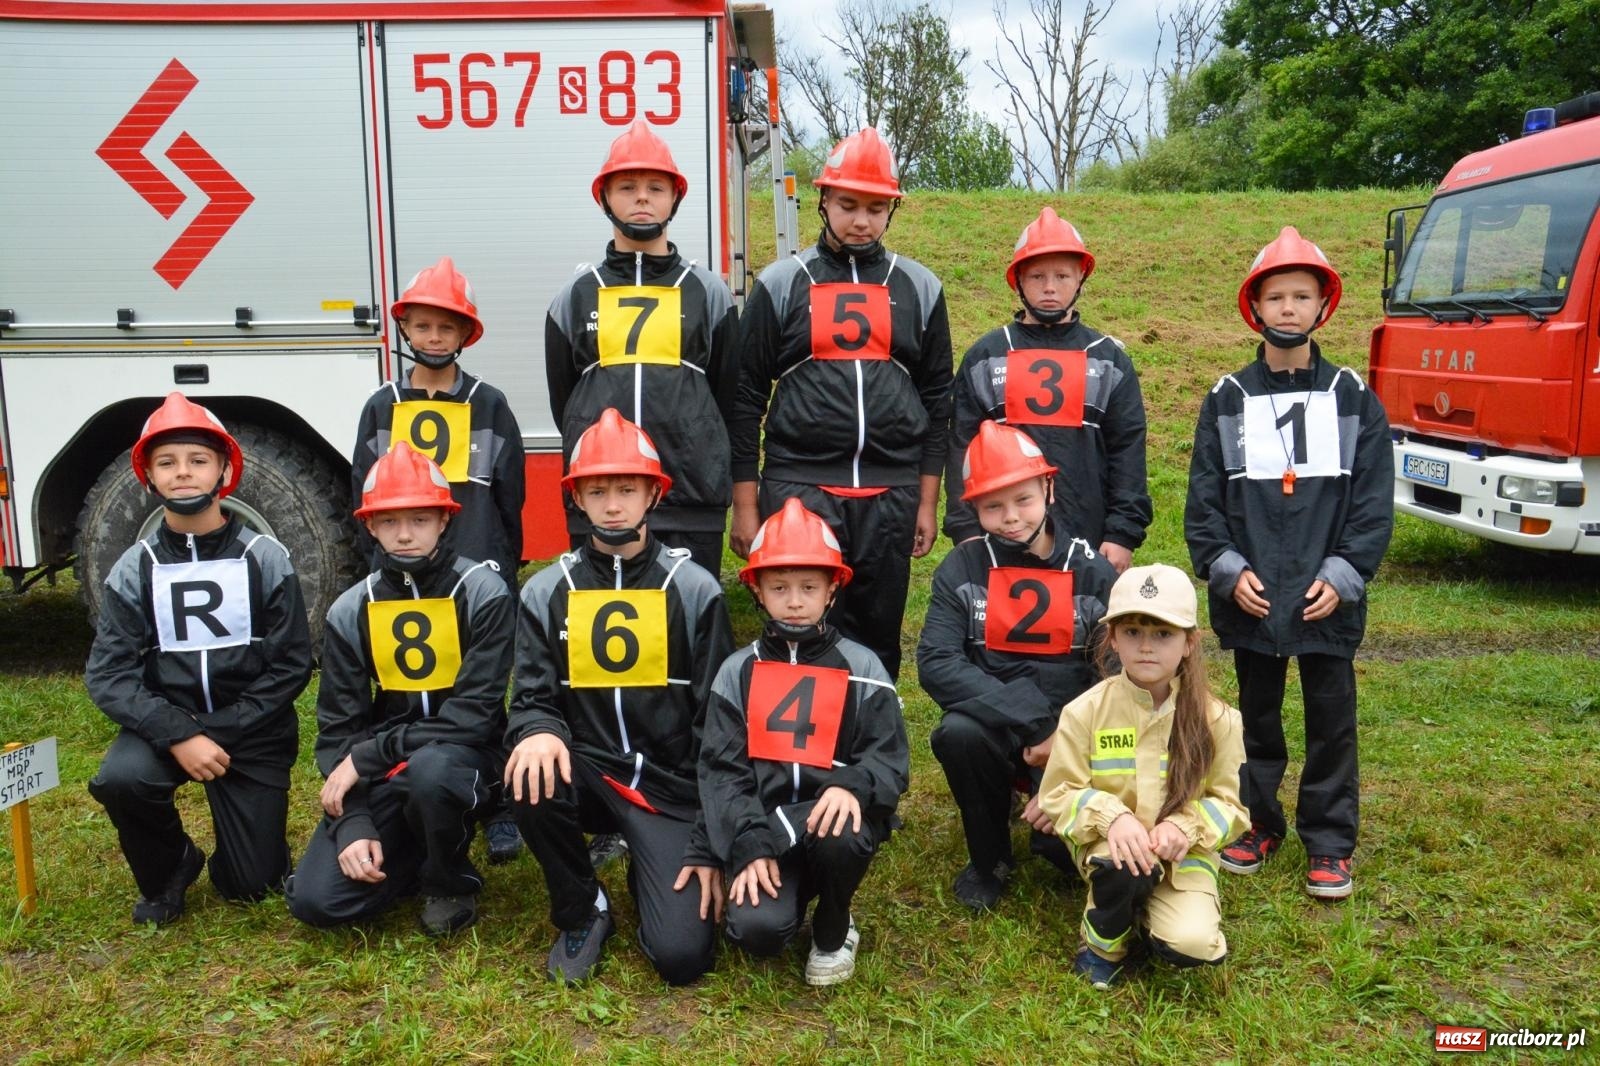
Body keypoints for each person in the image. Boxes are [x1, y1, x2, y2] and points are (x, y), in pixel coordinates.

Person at [1184, 226, 1393, 901]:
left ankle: (1330, 842)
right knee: (1256, 717)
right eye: (1276, 296)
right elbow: (1203, 501)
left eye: (1302, 296)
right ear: (1255, 307)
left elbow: (1370, 504)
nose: (1288, 309)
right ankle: (1257, 821)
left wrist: (1343, 575)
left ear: (1323, 305)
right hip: (1253, 595)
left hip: (1324, 595)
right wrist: (1224, 566)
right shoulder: (1226, 399)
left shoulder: (1356, 399)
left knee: (1331, 718)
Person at [506, 408, 732, 985]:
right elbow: (531, 696)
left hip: (670, 789)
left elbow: (719, 724)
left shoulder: (696, 589)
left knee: (681, 958)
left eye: (627, 489)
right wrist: (538, 730)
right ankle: (583, 907)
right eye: (597, 490)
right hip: (590, 771)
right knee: (527, 768)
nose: (612, 505)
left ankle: (649, 860)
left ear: (653, 495)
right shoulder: (544, 591)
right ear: (576, 497)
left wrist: (711, 839)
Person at [729, 126, 953, 681]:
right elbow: (745, 397)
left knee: (878, 635)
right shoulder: (782, 284)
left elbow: (938, 402)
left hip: (892, 490)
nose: (862, 220)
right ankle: (797, 755)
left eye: (876, 208)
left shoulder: (921, 287)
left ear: (891, 211)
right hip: (798, 486)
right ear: (823, 200)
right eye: (849, 204)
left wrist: (926, 501)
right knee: (800, 628)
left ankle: (870, 743)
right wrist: (747, 504)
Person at [86, 392, 311, 926]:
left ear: (224, 471)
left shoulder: (266, 557)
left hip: (251, 732)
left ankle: (252, 855)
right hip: (168, 727)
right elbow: (108, 674)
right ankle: (170, 869)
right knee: (122, 778)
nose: (182, 473)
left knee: (251, 887)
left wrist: (222, 729)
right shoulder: (133, 566)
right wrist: (180, 733)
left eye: (197, 460)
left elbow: (291, 666)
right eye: (167, 462)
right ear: (149, 476)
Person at [285, 442, 514, 936]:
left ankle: (448, 879)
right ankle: (409, 850)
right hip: (389, 770)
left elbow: (473, 717)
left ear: (444, 519)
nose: (405, 535)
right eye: (389, 522)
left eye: (420, 519)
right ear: (369, 526)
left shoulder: (484, 592)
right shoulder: (350, 608)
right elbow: (340, 727)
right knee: (315, 901)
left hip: (473, 758)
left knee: (433, 772)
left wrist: (370, 755)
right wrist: (354, 822)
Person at [351, 255, 526, 865]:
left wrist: (503, 566)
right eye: (422, 326)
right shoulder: (380, 407)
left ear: (464, 335)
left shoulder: (490, 403)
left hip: (477, 569)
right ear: (406, 330)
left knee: (484, 690)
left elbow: (511, 494)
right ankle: (407, 781)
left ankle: (499, 800)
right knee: (419, 679)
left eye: (445, 328)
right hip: (407, 573)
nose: (432, 338)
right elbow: (362, 493)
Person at [700, 498, 909, 985]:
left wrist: (851, 783)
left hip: (832, 825)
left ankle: (836, 922)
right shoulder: (736, 671)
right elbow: (721, 771)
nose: (794, 600)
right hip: (766, 826)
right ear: (755, 589)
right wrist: (749, 842)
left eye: (809, 587)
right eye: (779, 587)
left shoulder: (864, 667)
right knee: (756, 933)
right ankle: (784, 891)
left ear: (833, 588)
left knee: (841, 827)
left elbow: (891, 761)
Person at [917, 420, 1117, 911]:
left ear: (1049, 487)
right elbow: (936, 662)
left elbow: (1116, 675)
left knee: (1057, 853)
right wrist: (1035, 724)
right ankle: (990, 859)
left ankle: (1062, 819)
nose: (1010, 518)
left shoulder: (1093, 572)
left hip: (1076, 733)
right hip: (1002, 725)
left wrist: (1068, 740)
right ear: (973, 509)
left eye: (1023, 500)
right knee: (957, 734)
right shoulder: (960, 569)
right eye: (992, 506)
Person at [1037, 563, 1248, 988]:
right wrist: (1113, 816)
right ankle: (1102, 943)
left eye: (1163, 634)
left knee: (1193, 944)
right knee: (1122, 867)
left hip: (1183, 855)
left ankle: (1153, 909)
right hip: (1110, 849)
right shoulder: (1084, 712)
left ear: (1190, 643)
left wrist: (1185, 828)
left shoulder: (1220, 720)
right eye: (1132, 632)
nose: (1146, 647)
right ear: (1112, 638)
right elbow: (1058, 794)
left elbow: (1232, 809)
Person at [546, 120, 740, 577]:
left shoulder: (708, 291)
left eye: (656, 186)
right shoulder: (574, 296)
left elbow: (726, 397)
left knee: (688, 629)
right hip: (602, 500)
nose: (642, 197)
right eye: (627, 186)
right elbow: (566, 400)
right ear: (604, 198)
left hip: (689, 498)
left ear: (675, 197)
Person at [944, 208, 1151, 571]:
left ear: (1081, 279)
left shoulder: (1108, 360)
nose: (1050, 287)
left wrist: (1122, 533)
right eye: (1037, 276)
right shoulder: (986, 356)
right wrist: (965, 528)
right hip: (1000, 536)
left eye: (1062, 275)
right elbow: (960, 445)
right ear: (1018, 281)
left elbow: (1127, 449)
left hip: (1090, 534)